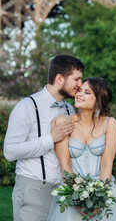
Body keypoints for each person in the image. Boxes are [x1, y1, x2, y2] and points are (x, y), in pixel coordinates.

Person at [3, 54, 85, 221]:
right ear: (60, 78)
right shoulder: (26, 106)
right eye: (76, 79)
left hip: (62, 194)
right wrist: (50, 138)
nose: (80, 85)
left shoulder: (70, 109)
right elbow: (10, 151)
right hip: (32, 191)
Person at [47, 77, 116, 221]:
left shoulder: (110, 123)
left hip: (104, 188)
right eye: (80, 90)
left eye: (87, 92)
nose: (79, 94)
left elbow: (107, 164)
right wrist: (76, 199)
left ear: (99, 99)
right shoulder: (64, 121)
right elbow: (65, 164)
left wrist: (99, 200)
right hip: (72, 190)